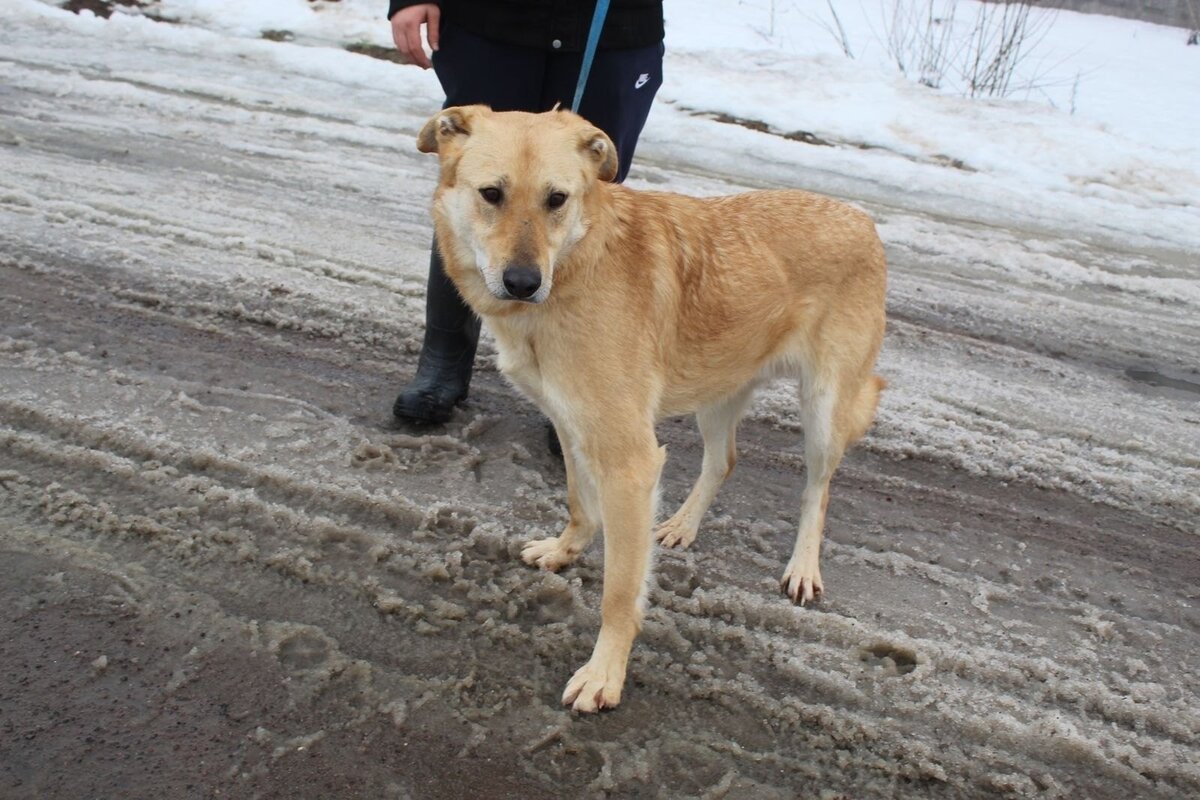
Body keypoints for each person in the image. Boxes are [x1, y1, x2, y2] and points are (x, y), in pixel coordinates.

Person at [388, 0, 665, 435]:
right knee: (482, 195)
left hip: (613, 28)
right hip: (491, 24)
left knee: (578, 209)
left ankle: (575, 384)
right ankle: (444, 360)